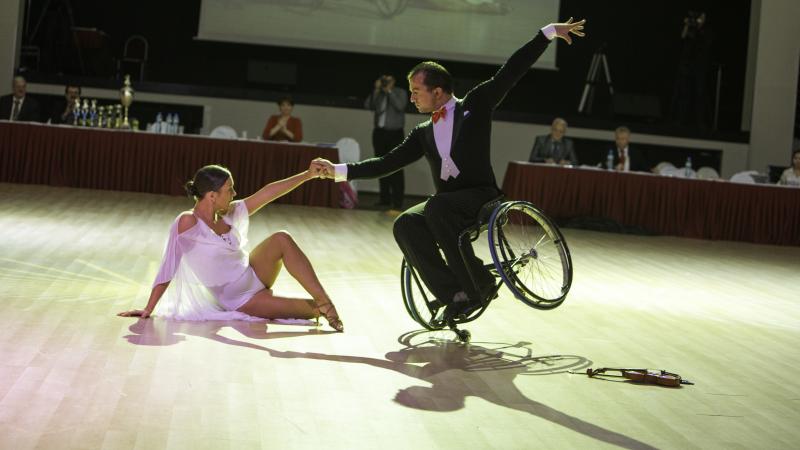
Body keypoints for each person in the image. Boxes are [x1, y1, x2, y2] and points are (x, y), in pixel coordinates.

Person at [313, 18, 586, 319]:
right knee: (405, 223)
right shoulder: (422, 132)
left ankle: (478, 284)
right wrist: (337, 170)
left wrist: (546, 34)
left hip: (481, 196)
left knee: (438, 208)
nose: (412, 97)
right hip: (446, 206)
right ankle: (453, 292)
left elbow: (512, 70)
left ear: (439, 92)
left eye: (417, 91)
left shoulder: (476, 104)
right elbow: (386, 163)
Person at [118, 164, 343, 332]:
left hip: (254, 272)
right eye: (230, 189)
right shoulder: (188, 223)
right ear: (212, 196)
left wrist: (308, 175)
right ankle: (320, 306)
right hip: (242, 299)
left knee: (281, 238)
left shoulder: (231, 211)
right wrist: (149, 308)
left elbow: (269, 192)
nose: (234, 194)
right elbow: (169, 265)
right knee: (312, 310)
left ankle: (326, 301)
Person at [365, 74, 408, 212]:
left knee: (396, 166)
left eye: (388, 79)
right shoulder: (379, 94)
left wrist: (389, 91)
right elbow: (368, 105)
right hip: (379, 133)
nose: (386, 82)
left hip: (395, 134)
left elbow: (400, 106)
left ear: (394, 80)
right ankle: (384, 199)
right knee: (380, 165)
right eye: (384, 80)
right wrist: (376, 90)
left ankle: (397, 202)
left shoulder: (400, 92)